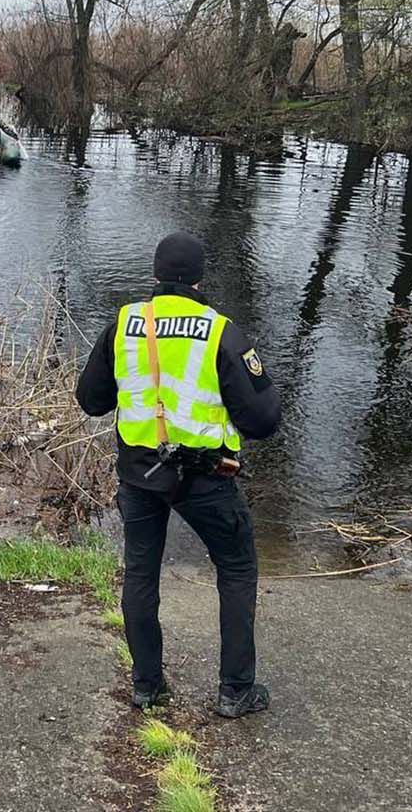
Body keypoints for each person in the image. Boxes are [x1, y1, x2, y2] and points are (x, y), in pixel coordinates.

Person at [75, 232, 281, 719]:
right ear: (200, 280)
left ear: (155, 275)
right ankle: (236, 690)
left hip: (139, 474)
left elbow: (91, 400)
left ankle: (148, 687)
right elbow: (263, 420)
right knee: (236, 569)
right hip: (206, 477)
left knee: (141, 573)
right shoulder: (220, 332)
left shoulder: (124, 325)